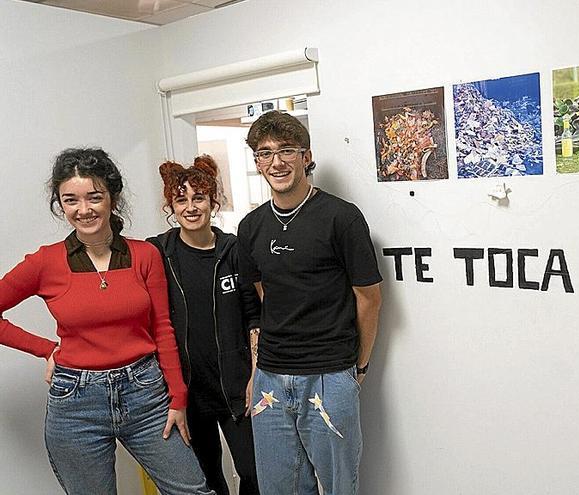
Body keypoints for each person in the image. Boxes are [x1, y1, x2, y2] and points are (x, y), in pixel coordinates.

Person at [0, 148, 214, 495]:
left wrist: (178, 397)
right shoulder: (46, 262)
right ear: (60, 204)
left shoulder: (145, 255)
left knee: (193, 491)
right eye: (71, 200)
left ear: (112, 199)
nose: (83, 210)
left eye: (94, 197)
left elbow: (162, 327)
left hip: (146, 395)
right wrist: (47, 349)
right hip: (75, 403)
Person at [237, 111, 383, 495]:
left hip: (329, 375)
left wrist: (360, 366)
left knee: (338, 487)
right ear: (256, 162)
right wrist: (257, 368)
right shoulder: (250, 227)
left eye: (287, 150)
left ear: (306, 156)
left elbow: (369, 299)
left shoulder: (342, 218)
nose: (276, 162)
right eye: (265, 153)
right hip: (270, 377)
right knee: (278, 488)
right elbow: (265, 295)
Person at [147, 155, 261, 495]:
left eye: (198, 198)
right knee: (207, 476)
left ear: (213, 201)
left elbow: (254, 316)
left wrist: (256, 374)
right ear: (171, 205)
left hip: (236, 387)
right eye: (181, 199)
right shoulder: (159, 252)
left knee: (253, 471)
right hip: (186, 392)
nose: (191, 207)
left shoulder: (234, 249)